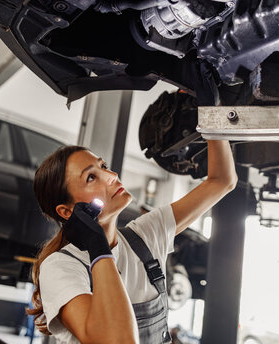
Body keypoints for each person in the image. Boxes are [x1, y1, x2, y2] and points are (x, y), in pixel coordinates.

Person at [27, 140, 236, 343]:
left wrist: (213, 117)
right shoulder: (60, 267)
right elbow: (117, 340)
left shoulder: (145, 235)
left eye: (104, 166)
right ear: (67, 211)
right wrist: (97, 245)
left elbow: (222, 181)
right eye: (91, 177)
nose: (111, 176)